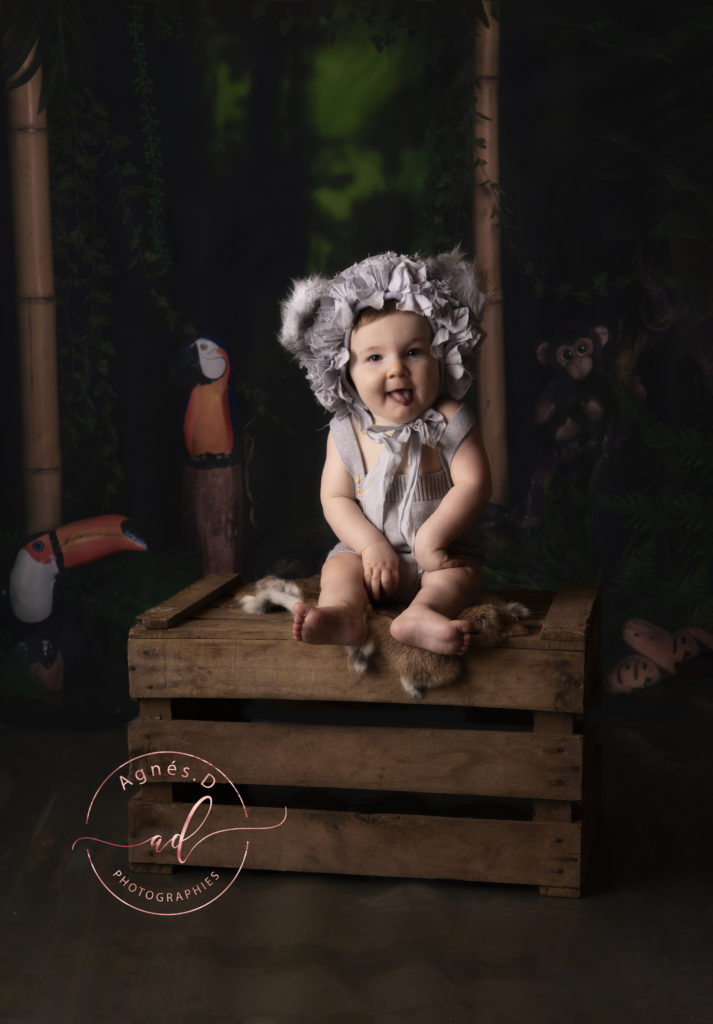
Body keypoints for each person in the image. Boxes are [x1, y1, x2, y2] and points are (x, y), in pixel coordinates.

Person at [278, 250, 492, 656]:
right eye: (375, 358)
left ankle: (422, 613)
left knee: (461, 576)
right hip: (368, 554)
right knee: (338, 570)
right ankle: (344, 614)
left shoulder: (450, 417)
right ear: (345, 373)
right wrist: (370, 545)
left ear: (441, 353)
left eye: (413, 352)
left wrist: (434, 535)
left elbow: (475, 483)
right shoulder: (347, 430)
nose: (396, 368)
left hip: (441, 552)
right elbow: (335, 498)